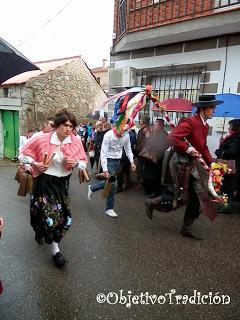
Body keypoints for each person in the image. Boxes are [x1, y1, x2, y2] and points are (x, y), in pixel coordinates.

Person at [19, 109, 87, 267]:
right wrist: (36, 164)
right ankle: (55, 250)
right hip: (44, 182)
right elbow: (22, 154)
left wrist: (76, 163)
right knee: (50, 220)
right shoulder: (42, 139)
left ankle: (47, 235)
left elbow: (83, 161)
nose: (68, 129)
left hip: (62, 184)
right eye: (65, 125)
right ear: (57, 125)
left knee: (66, 220)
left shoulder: (75, 141)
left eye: (71, 126)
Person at [165, 95, 223, 240]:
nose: (214, 110)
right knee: (182, 196)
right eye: (212, 107)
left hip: (193, 164)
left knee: (198, 195)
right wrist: (188, 149)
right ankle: (152, 203)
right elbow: (171, 138)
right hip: (181, 163)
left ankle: (187, 227)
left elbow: (202, 148)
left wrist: (212, 163)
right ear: (203, 109)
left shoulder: (205, 125)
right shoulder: (190, 122)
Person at [87, 127, 136, 217]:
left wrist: (132, 162)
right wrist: (105, 170)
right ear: (117, 127)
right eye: (122, 130)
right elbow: (103, 153)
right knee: (113, 184)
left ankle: (92, 188)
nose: (123, 133)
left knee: (109, 181)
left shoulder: (126, 135)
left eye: (125, 131)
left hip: (118, 161)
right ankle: (109, 209)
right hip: (109, 160)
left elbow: (128, 149)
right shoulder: (108, 135)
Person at [215, 118, 240, 212]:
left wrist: (220, 151)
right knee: (226, 187)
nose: (229, 128)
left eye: (230, 126)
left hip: (232, 167)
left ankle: (227, 208)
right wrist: (222, 143)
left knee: (227, 188)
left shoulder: (236, 138)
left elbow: (231, 152)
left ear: (235, 127)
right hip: (232, 167)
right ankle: (226, 206)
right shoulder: (232, 137)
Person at [135, 115, 151, 189]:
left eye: (140, 120)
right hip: (142, 153)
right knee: (141, 169)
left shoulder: (145, 130)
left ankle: (141, 184)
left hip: (142, 153)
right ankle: (142, 183)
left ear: (143, 121)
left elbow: (143, 143)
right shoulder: (145, 129)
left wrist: (137, 151)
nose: (139, 121)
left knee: (140, 169)